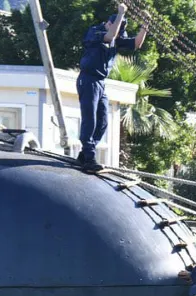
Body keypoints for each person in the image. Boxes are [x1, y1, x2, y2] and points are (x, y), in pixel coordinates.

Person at [77, 3, 148, 173]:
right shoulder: (96, 31)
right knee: (90, 118)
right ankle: (88, 156)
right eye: (118, 25)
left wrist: (145, 25)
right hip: (89, 79)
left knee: (102, 121)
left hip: (101, 82)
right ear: (110, 23)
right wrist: (121, 13)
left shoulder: (116, 36)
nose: (119, 32)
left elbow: (136, 44)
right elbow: (110, 36)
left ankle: (85, 153)